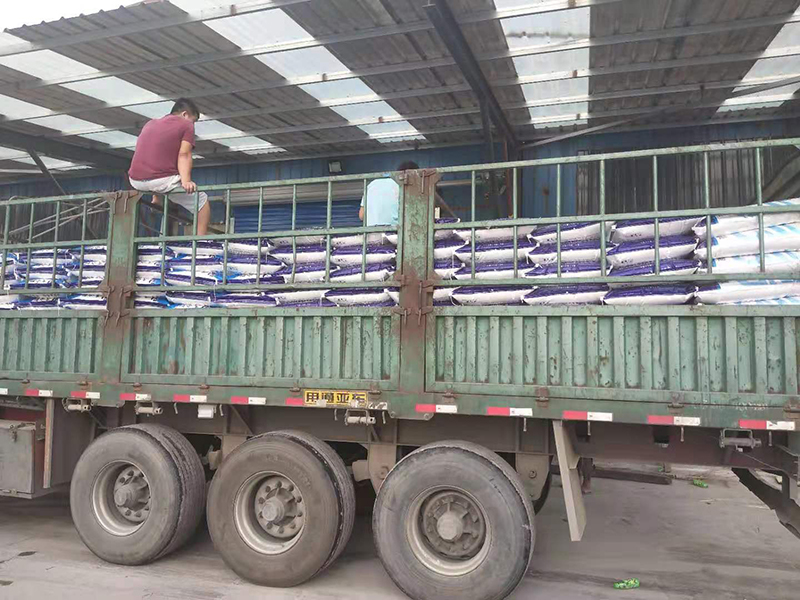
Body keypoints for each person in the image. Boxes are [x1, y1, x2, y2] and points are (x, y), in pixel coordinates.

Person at [128, 98, 210, 235]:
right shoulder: (186, 125)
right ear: (185, 114)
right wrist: (186, 181)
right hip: (160, 181)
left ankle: (156, 199)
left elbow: (153, 155)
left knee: (161, 166)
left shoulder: (150, 123)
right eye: (193, 121)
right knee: (202, 202)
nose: (193, 125)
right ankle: (201, 242)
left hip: (135, 180)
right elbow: (184, 154)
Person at [359, 160, 419, 227]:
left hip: (371, 230)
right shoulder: (402, 188)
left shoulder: (371, 184)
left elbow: (361, 215)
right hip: (394, 230)